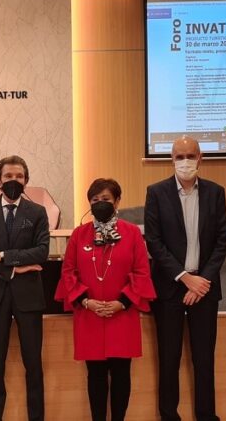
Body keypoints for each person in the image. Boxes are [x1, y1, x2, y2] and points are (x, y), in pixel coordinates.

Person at [56, 178, 156, 421]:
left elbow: (142, 272)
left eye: (106, 199)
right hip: (90, 315)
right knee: (95, 376)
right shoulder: (79, 234)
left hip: (122, 314)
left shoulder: (132, 233)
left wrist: (122, 302)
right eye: (95, 200)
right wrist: (86, 301)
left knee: (121, 374)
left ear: (117, 201)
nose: (100, 203)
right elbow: (68, 272)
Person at [144, 136, 226, 421]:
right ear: (171, 159)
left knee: (204, 360)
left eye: (190, 156)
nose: (185, 161)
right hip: (170, 288)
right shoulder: (156, 192)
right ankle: (169, 416)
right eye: (179, 156)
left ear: (200, 158)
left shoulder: (216, 192)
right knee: (169, 359)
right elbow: (154, 242)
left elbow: (222, 242)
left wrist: (201, 281)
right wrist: (184, 277)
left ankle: (206, 415)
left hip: (204, 288)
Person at [0, 155, 50, 421]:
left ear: (26, 180)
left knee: (33, 363)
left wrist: (2, 257)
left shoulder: (37, 212)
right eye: (8, 176)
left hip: (29, 297)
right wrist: (16, 268)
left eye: (19, 177)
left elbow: (41, 252)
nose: (13, 181)